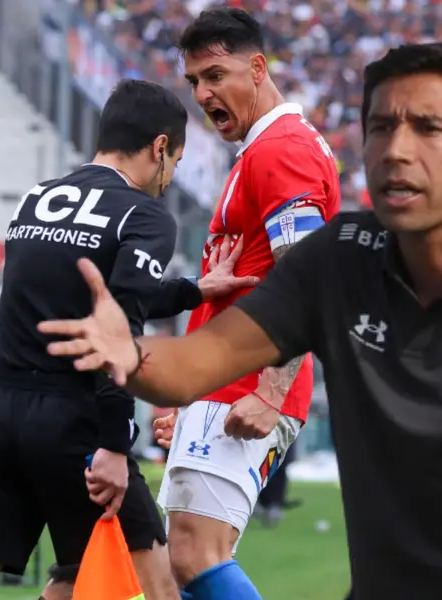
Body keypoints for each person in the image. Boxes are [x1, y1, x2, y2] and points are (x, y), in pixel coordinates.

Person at [40, 42, 442, 599]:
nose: (397, 148)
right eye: (381, 126)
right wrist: (132, 357)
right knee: (189, 553)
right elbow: (199, 361)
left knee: (195, 552)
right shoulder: (340, 260)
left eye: (428, 128)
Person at [0, 78, 257, 600]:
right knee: (159, 590)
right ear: (159, 148)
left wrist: (193, 290)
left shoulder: (36, 199)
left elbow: (85, 288)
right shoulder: (143, 213)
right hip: (74, 423)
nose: (169, 178)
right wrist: (112, 443)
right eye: (175, 160)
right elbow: (119, 328)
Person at [156, 7, 345, 597]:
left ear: (257, 68)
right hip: (224, 382)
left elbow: (309, 275)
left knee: (192, 555)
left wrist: (269, 390)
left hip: (249, 383)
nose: (203, 93)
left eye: (215, 75)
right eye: (193, 82)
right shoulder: (264, 149)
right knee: (177, 566)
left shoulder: (281, 150)